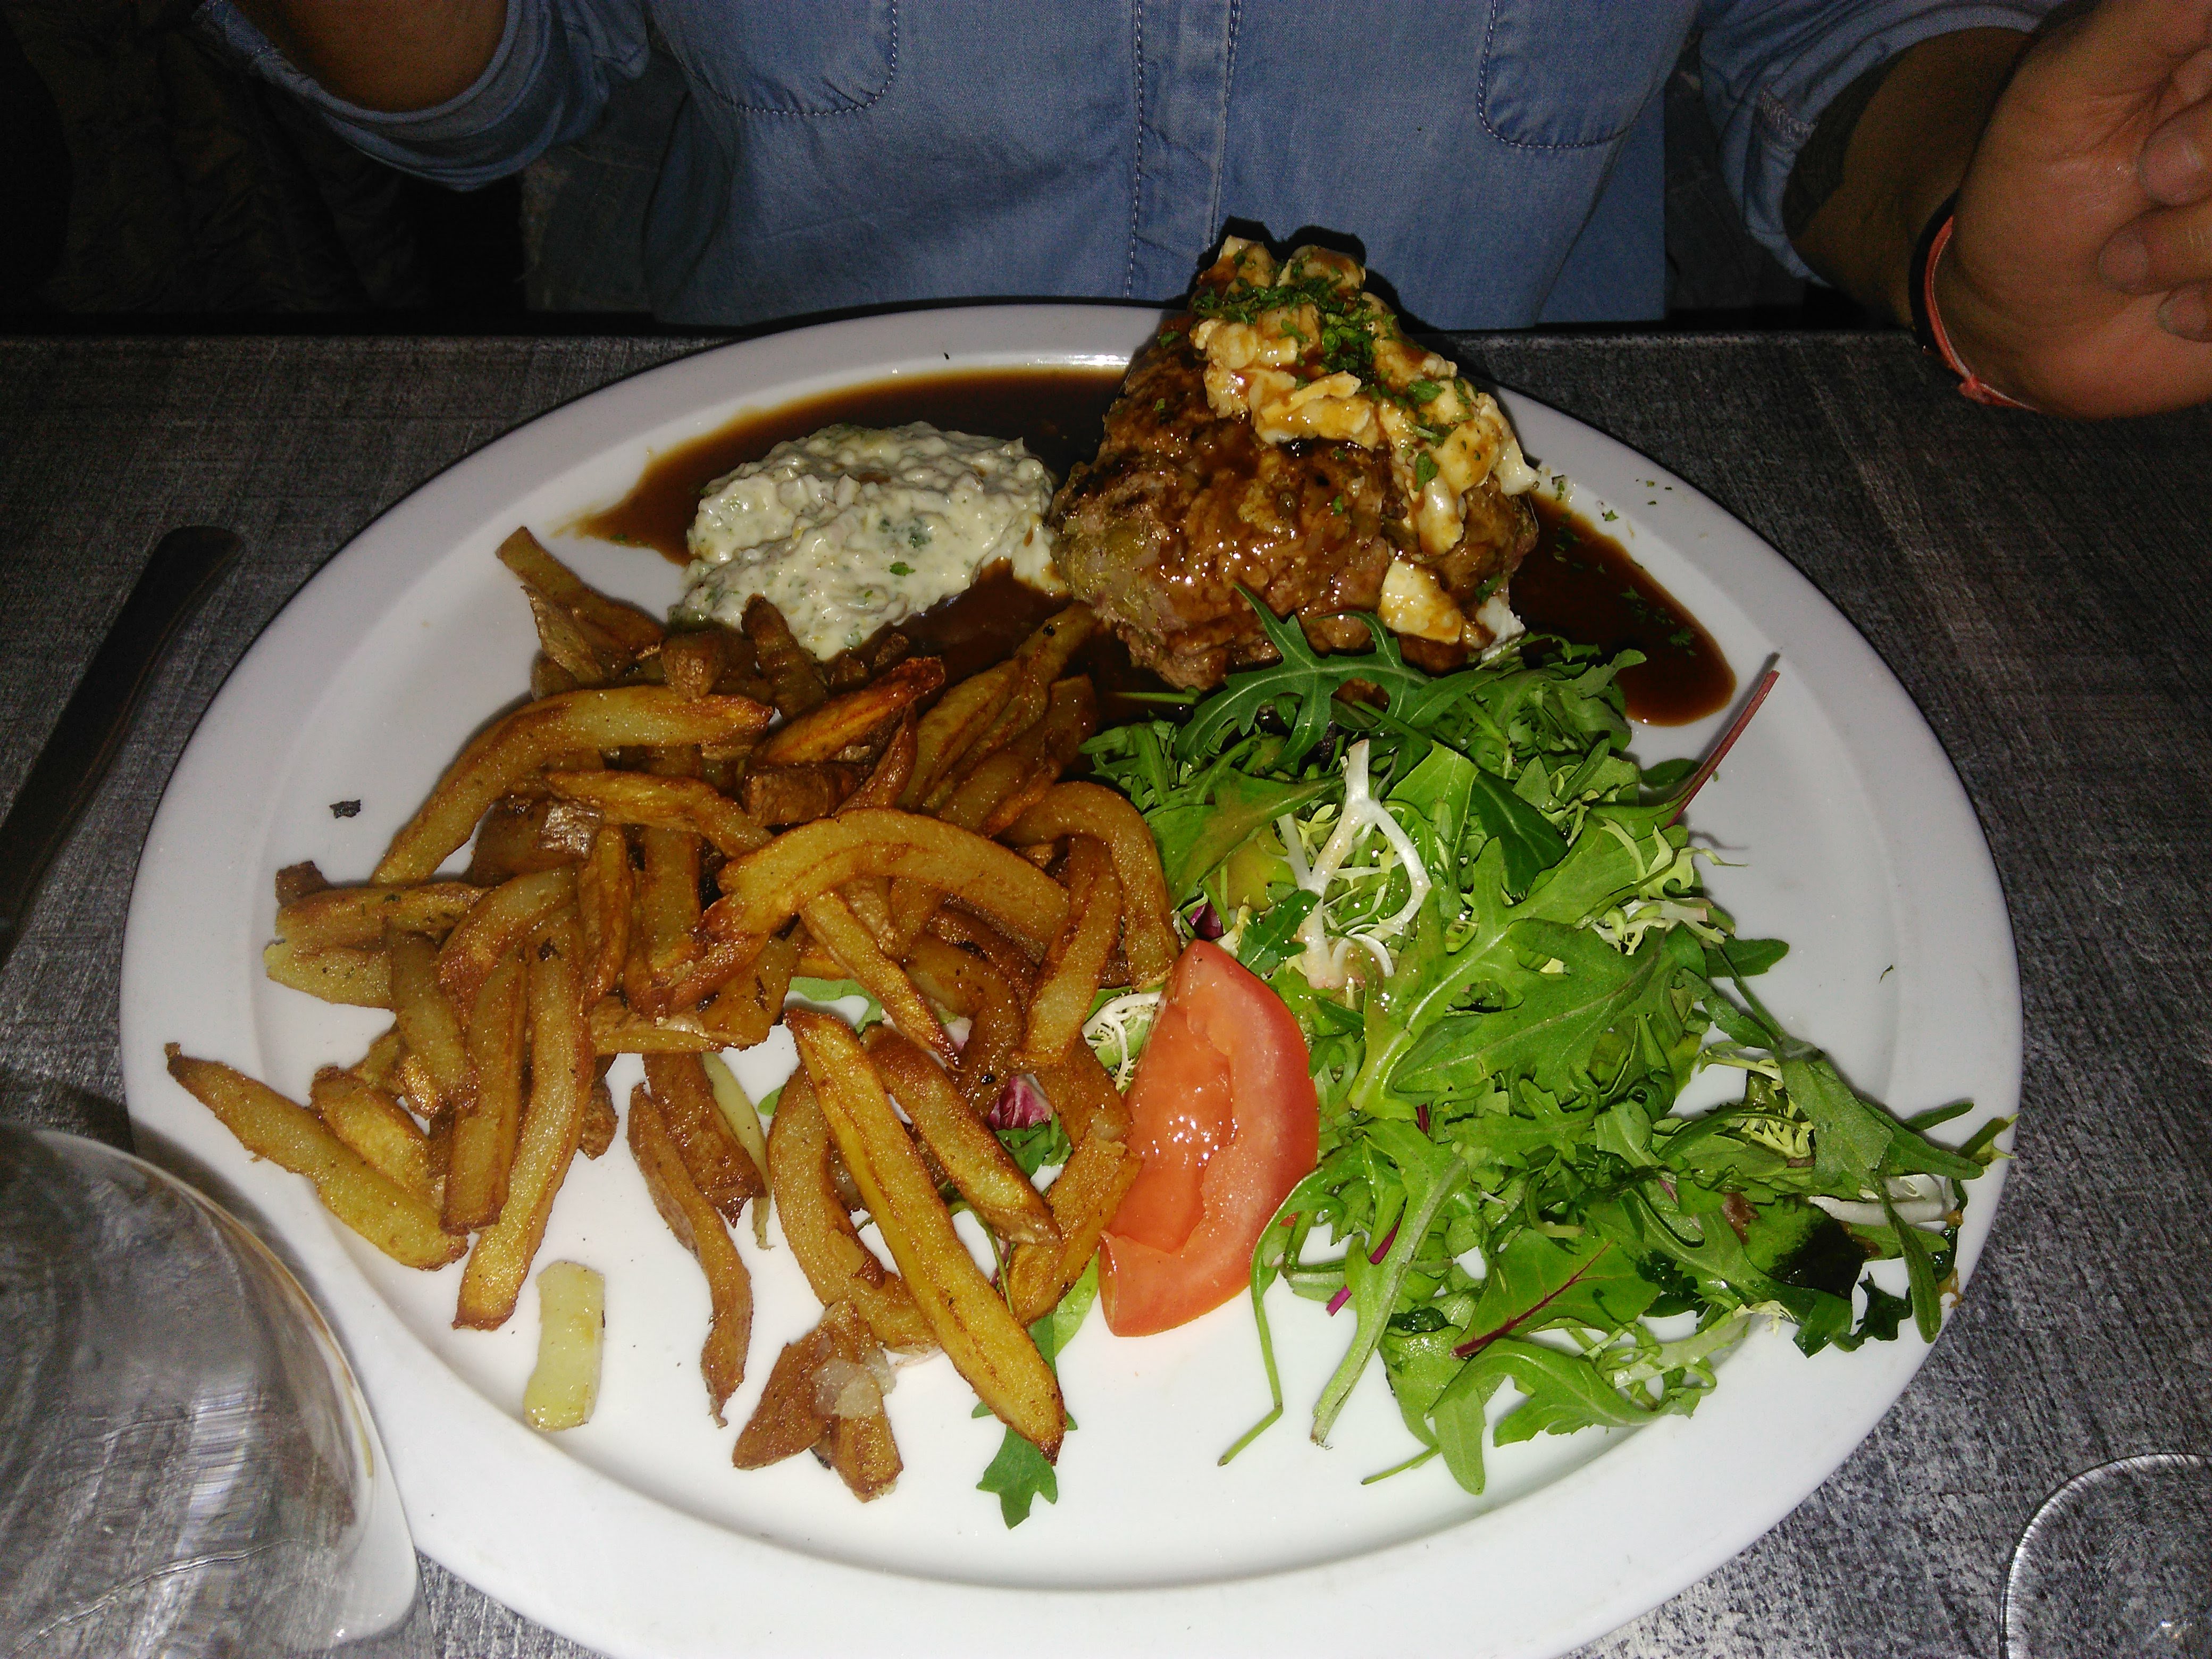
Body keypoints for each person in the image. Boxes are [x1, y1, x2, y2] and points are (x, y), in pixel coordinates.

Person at [200, 0, 2212, 417]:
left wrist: (1983, 242)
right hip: (751, 549)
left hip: (1492, 594)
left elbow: (1824, 35)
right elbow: (513, 85)